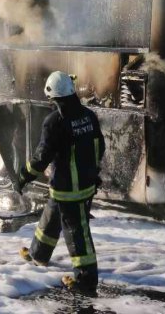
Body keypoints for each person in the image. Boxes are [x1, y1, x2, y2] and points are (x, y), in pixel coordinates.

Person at [16, 71, 106, 294]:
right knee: (50, 217)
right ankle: (38, 255)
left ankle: (86, 282)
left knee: (77, 235)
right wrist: (93, 174)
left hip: (69, 190)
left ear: (54, 97)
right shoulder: (89, 116)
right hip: (81, 185)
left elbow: (42, 156)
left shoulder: (55, 122)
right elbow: (100, 147)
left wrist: (24, 174)